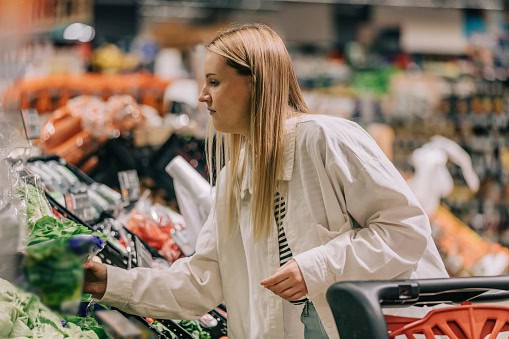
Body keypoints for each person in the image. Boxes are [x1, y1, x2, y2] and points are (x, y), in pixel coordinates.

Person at [84, 23, 448, 339]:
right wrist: (105, 281)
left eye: (214, 81)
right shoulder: (233, 179)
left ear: (255, 83)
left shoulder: (326, 139)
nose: (202, 96)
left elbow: (405, 230)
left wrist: (316, 267)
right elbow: (200, 282)